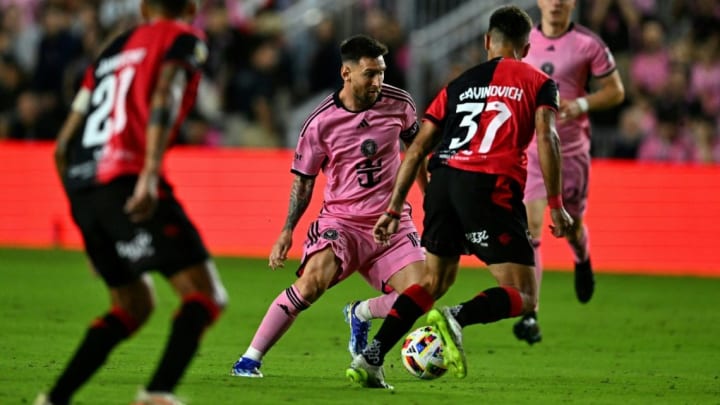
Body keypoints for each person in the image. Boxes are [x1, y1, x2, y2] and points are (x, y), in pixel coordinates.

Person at [347, 5, 573, 387]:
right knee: (524, 294)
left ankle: (371, 357)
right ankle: (457, 317)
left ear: (487, 42)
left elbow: (416, 149)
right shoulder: (538, 82)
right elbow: (547, 137)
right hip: (488, 185)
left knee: (432, 282)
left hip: (443, 183)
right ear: (526, 47)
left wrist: (394, 207)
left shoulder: (458, 84)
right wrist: (556, 204)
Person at [34, 1, 228, 404]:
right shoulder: (183, 38)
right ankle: (157, 394)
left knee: (133, 304)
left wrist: (87, 222)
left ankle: (53, 400)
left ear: (143, 9)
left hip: (83, 189)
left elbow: (61, 147)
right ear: (191, 7)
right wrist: (150, 173)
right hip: (127, 177)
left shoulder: (111, 51)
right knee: (206, 296)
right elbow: (164, 95)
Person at [230, 35, 429, 386]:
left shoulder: (400, 104)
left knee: (422, 293)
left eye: (382, 72)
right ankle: (250, 358)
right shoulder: (321, 123)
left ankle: (361, 313)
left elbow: (416, 153)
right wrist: (287, 230)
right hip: (343, 223)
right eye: (370, 74)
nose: (378, 81)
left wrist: (431, 200)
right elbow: (304, 182)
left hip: (391, 221)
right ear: (346, 73)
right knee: (310, 286)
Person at [515, 0, 625, 345]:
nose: (557, 3)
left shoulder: (588, 44)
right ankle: (530, 313)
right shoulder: (523, 42)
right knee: (532, 227)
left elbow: (617, 91)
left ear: (573, 4)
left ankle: (582, 257)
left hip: (571, 151)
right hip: (533, 149)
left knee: (572, 227)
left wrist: (581, 104)